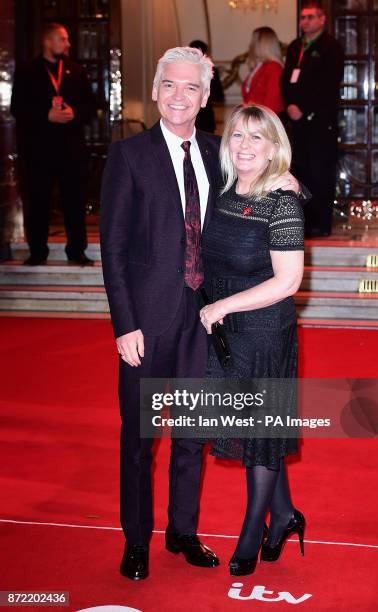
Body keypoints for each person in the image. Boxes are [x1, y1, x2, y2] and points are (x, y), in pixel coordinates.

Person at [99, 47, 302, 581]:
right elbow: (113, 248)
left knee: (192, 436)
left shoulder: (224, 151)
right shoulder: (128, 156)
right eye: (170, 85)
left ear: (206, 96)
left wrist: (292, 183)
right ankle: (136, 540)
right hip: (145, 322)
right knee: (140, 439)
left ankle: (182, 532)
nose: (179, 96)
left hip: (207, 323)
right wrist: (124, 324)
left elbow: (271, 190)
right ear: (157, 87)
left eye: (191, 87)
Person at [200, 104, 306, 576]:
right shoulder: (222, 192)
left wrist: (222, 307)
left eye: (256, 138)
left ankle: (253, 528)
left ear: (273, 148)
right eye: (237, 136)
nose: (244, 145)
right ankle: (284, 514)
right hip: (226, 329)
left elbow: (288, 282)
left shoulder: (282, 201)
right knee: (252, 427)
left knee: (259, 432)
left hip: (263, 329)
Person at [11, 22, 96, 266]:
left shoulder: (76, 71)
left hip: (71, 151)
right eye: (63, 39)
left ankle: (77, 251)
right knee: (37, 202)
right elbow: (17, 108)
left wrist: (74, 112)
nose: (68, 43)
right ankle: (37, 252)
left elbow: (90, 107)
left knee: (74, 202)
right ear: (48, 41)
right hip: (38, 151)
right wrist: (44, 115)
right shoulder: (27, 71)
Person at [281, 0, 344, 237]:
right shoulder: (295, 46)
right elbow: (286, 79)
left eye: (310, 17)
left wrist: (305, 109)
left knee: (321, 172)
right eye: (302, 17)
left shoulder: (331, 47)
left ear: (322, 19)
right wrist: (289, 105)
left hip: (319, 122)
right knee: (299, 171)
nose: (305, 21)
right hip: (296, 122)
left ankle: (322, 224)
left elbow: (328, 85)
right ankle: (303, 224)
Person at [242, 27, 284, 115]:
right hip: (255, 119)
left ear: (262, 44)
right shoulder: (260, 66)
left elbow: (272, 106)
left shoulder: (274, 68)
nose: (250, 45)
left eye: (253, 41)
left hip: (265, 122)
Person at [189, 40, 224, 133]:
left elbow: (219, 96)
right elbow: (219, 96)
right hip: (205, 117)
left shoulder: (182, 71)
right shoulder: (212, 71)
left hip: (191, 116)